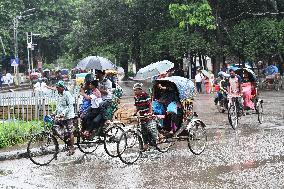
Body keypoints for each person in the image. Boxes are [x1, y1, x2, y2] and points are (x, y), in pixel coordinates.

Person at [53, 81, 76, 156]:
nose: (57, 89)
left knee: (70, 132)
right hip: (61, 116)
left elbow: (69, 106)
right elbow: (58, 106)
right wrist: (54, 113)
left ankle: (72, 148)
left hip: (68, 116)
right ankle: (68, 142)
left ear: (62, 87)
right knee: (55, 127)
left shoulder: (67, 94)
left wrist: (63, 113)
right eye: (56, 87)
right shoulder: (59, 95)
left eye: (58, 87)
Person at [133, 83, 157, 151]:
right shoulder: (136, 97)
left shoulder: (145, 95)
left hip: (147, 115)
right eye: (134, 90)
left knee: (150, 129)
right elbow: (137, 106)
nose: (135, 92)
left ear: (140, 90)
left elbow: (149, 104)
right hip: (142, 115)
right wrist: (135, 112)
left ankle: (155, 141)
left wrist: (150, 112)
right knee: (143, 131)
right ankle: (145, 144)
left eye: (136, 90)